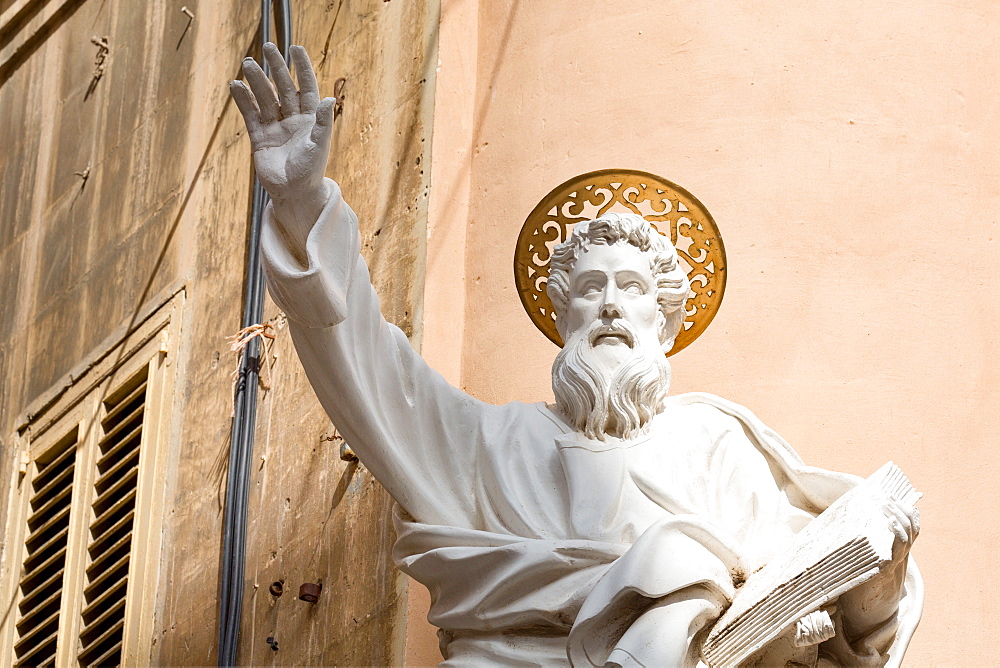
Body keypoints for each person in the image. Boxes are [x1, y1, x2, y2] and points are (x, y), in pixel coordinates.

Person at [230, 43, 922, 666]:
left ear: (667, 317)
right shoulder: (488, 446)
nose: (612, 304)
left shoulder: (721, 444)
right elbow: (359, 361)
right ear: (563, 313)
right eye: (592, 288)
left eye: (633, 287)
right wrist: (302, 202)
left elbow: (834, 623)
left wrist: (878, 586)